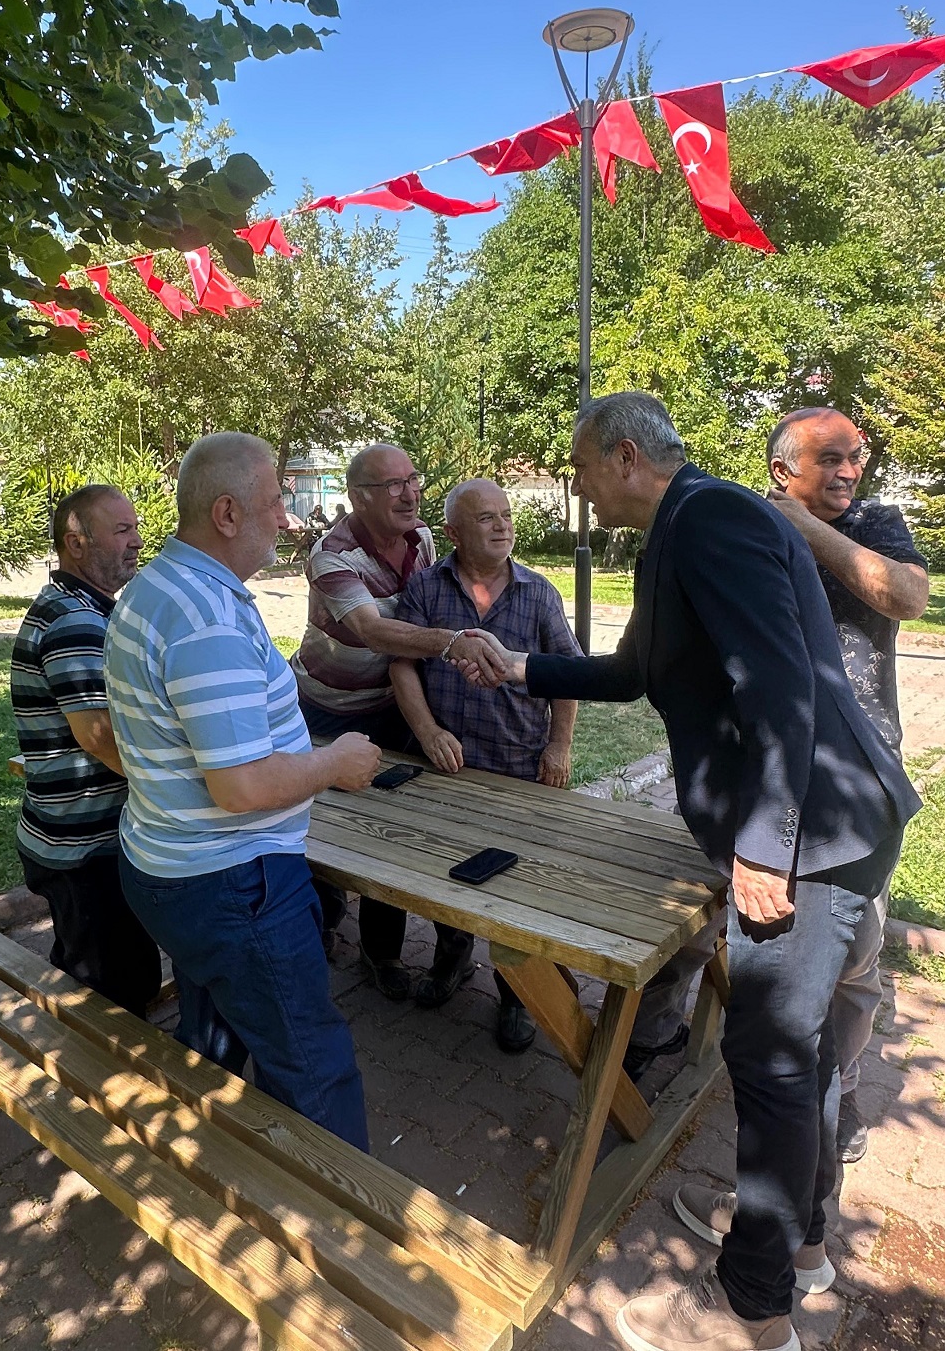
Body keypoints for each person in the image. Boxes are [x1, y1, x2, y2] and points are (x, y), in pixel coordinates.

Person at [464, 392, 920, 1351]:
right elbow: (635, 671)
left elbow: (781, 685)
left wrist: (764, 843)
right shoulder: (679, 526)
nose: (578, 486)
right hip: (819, 829)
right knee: (800, 1060)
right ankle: (800, 1246)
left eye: (582, 467)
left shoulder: (711, 518)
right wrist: (521, 667)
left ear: (626, 455)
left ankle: (750, 1312)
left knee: (773, 1062)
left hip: (815, 840)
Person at [104, 432, 380, 1149]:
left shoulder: (160, 586)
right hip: (234, 882)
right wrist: (334, 762)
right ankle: (339, 1212)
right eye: (275, 501)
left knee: (215, 1036)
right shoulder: (208, 618)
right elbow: (242, 784)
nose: (288, 518)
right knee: (313, 1065)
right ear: (227, 513)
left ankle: (217, 1164)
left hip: (172, 863)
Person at [768, 408, 928, 1162]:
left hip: (864, 777)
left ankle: (844, 1081)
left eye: (855, 456)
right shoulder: (753, 525)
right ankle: (672, 1035)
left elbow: (907, 597)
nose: (849, 470)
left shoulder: (877, 524)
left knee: (857, 952)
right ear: (783, 470)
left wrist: (807, 528)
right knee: (736, 922)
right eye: (829, 458)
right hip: (773, 770)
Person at [291, 443, 505, 998]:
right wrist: (453, 642)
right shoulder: (332, 555)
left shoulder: (422, 539)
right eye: (393, 485)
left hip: (393, 707)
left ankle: (398, 951)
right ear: (357, 496)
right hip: (325, 710)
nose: (410, 494)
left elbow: (426, 608)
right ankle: (332, 930)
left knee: (400, 833)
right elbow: (372, 630)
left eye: (413, 480)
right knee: (324, 827)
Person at [389, 478, 580, 1051]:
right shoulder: (425, 588)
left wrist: (559, 745)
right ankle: (452, 958)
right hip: (449, 767)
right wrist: (427, 731)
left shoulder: (538, 593)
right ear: (453, 531)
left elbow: (566, 674)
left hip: (517, 765)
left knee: (517, 889)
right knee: (447, 873)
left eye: (506, 515)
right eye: (485, 517)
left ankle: (518, 994)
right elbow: (401, 663)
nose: (502, 526)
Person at [10, 484, 163, 1016]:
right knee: (114, 995)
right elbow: (98, 735)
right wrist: (169, 789)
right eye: (122, 530)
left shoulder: (76, 607)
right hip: (84, 849)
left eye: (135, 528)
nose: (136, 541)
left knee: (101, 973)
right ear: (76, 543)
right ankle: (93, 1063)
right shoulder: (75, 620)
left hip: (71, 838)